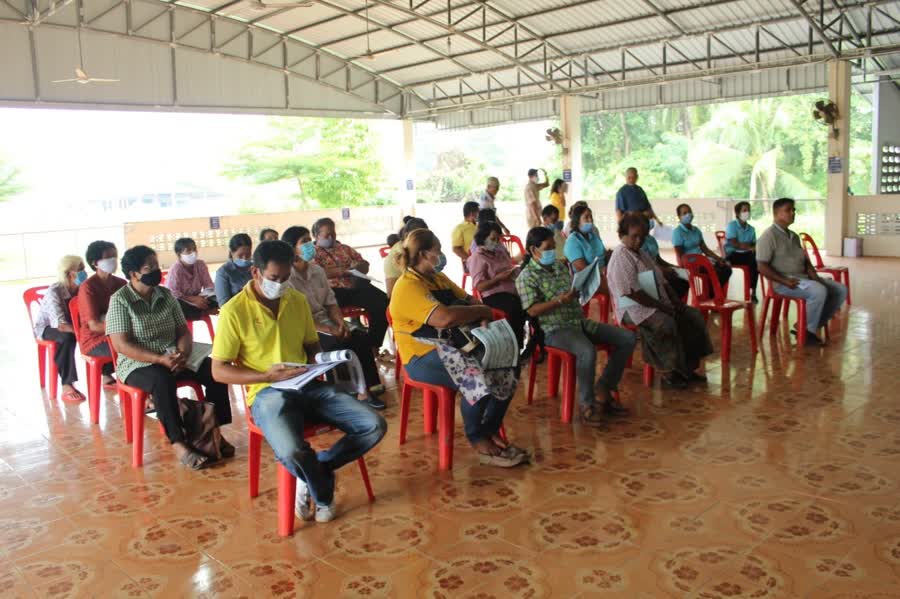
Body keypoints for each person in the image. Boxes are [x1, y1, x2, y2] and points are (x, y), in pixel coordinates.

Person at [211, 240, 386, 522]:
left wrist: (323, 364)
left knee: (373, 425)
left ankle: (317, 467)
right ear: (255, 272)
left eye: (285, 278)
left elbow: (311, 348)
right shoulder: (235, 311)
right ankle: (321, 491)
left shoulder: (296, 300)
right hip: (267, 392)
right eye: (273, 278)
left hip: (308, 383)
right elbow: (219, 371)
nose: (280, 285)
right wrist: (267, 376)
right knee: (291, 450)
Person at [390, 229, 526, 467]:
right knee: (476, 375)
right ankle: (477, 438)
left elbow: (470, 300)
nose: (441, 255)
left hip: (454, 344)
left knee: (508, 364)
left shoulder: (436, 279)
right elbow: (444, 318)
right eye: (437, 250)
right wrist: (479, 312)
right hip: (421, 355)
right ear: (424, 253)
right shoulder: (407, 286)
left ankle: (490, 429)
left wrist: (478, 311)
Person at [106, 245, 233, 470]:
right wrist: (160, 359)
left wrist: (182, 354)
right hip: (138, 363)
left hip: (173, 354)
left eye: (156, 265)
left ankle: (215, 431)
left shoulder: (165, 294)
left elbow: (182, 331)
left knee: (215, 369)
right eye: (149, 267)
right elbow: (121, 345)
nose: (156, 270)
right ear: (134, 273)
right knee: (161, 380)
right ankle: (178, 442)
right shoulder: (120, 300)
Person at [516, 226, 635, 425]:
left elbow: (572, 291)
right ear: (533, 250)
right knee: (587, 350)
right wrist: (560, 301)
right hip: (554, 329)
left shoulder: (560, 267)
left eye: (553, 246)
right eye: (547, 247)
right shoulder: (526, 277)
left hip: (578, 321)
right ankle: (586, 404)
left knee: (627, 338)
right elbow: (532, 311)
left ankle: (603, 388)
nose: (552, 251)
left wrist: (581, 290)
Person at [282, 226, 386, 410]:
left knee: (359, 338)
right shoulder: (287, 278)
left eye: (309, 240)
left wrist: (340, 323)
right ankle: (344, 394)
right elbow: (297, 317)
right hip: (306, 327)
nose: (309, 245)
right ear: (292, 249)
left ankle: (369, 389)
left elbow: (331, 302)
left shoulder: (317, 271)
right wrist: (330, 330)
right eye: (303, 242)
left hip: (326, 319)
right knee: (335, 344)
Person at [607, 214, 714, 389]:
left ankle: (688, 368)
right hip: (632, 308)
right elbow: (633, 294)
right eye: (634, 236)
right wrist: (663, 307)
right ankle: (669, 372)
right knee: (664, 323)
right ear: (622, 235)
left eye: (642, 236)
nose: (639, 240)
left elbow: (661, 279)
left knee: (691, 316)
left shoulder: (642, 253)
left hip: (654, 301)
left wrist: (675, 302)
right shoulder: (621, 256)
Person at [756, 198, 847, 346]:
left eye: (794, 210)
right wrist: (784, 281)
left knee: (839, 289)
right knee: (818, 291)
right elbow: (762, 266)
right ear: (776, 213)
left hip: (803, 279)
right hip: (784, 283)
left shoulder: (793, 236)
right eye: (788, 210)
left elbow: (806, 263)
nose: (793, 213)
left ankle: (806, 325)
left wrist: (817, 278)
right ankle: (807, 332)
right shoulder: (768, 236)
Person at [311, 217, 389, 350]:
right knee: (328, 314)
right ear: (316, 235)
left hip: (355, 286)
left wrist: (359, 267)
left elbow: (364, 264)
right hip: (333, 291)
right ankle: (345, 347)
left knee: (382, 302)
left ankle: (373, 344)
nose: (331, 237)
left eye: (333, 234)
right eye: (327, 234)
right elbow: (317, 272)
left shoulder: (345, 248)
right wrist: (342, 271)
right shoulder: (312, 253)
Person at [33, 255, 87, 402]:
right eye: (80, 269)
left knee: (103, 331)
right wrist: (80, 331)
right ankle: (67, 384)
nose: (84, 272)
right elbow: (61, 325)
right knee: (67, 337)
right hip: (48, 328)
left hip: (73, 326)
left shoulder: (83, 288)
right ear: (70, 273)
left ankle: (106, 374)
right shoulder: (54, 291)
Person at [467, 222, 528, 348]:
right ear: (483, 238)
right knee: (515, 307)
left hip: (511, 289)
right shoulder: (477, 258)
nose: (496, 242)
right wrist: (498, 278)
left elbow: (510, 267)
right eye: (492, 239)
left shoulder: (499, 252)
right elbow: (479, 286)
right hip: (493, 295)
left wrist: (516, 271)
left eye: (498, 239)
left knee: (533, 303)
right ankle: (515, 345)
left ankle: (536, 342)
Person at [78, 240, 126, 383]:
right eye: (108, 257)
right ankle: (143, 395)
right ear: (95, 262)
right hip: (95, 340)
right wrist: (123, 327)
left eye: (114, 256)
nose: (113, 260)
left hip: (119, 334)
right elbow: (94, 325)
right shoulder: (88, 287)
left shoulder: (121, 284)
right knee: (134, 350)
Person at [672, 203, 732, 288]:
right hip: (689, 263)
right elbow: (681, 255)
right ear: (679, 216)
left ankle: (713, 292)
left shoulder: (696, 230)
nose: (688, 214)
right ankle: (713, 292)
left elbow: (705, 249)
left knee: (726, 268)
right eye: (684, 213)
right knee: (716, 270)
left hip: (701, 260)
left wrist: (719, 259)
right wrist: (697, 263)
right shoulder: (677, 232)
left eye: (689, 212)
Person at [165, 237, 218, 321]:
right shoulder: (176, 269)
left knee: (219, 295)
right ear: (179, 255)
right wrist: (193, 299)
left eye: (194, 249)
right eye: (188, 251)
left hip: (200, 299)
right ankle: (204, 312)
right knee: (176, 306)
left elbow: (208, 285)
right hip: (183, 301)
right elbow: (171, 293)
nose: (193, 253)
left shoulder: (200, 264)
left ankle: (202, 310)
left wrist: (204, 297)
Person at [639, 212, 690, 299]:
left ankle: (676, 306)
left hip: (658, 268)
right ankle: (671, 306)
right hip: (648, 272)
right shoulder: (639, 240)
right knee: (676, 283)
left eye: (651, 218)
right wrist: (662, 270)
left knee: (685, 279)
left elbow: (658, 258)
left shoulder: (651, 239)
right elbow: (644, 263)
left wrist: (672, 266)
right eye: (648, 219)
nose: (651, 221)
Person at [384, 217, 428, 297]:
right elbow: (391, 294)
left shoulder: (415, 249)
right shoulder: (400, 252)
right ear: (407, 235)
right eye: (417, 237)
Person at [725, 201, 759, 303]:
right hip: (733, 255)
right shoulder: (732, 225)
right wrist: (749, 247)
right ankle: (752, 290)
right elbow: (734, 243)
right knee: (754, 260)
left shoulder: (751, 229)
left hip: (747, 255)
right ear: (737, 213)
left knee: (757, 260)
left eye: (748, 210)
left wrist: (751, 247)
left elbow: (754, 244)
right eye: (744, 210)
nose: (747, 212)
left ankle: (753, 292)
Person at [565, 204, 612, 273]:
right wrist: (601, 271)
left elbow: (603, 255)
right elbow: (584, 270)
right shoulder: (572, 241)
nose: (590, 220)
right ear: (577, 221)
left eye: (591, 217)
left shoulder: (593, 236)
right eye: (586, 217)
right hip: (588, 279)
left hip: (603, 273)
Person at [215, 233, 253, 306]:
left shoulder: (255, 268)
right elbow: (224, 304)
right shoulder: (223, 272)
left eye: (248, 255)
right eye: (240, 255)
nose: (244, 258)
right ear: (231, 253)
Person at [451, 201, 480, 270]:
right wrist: (470, 259)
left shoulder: (479, 225)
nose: (480, 214)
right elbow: (456, 248)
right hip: (471, 262)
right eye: (478, 212)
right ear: (472, 213)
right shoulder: (460, 228)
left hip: (483, 259)